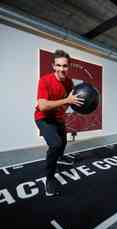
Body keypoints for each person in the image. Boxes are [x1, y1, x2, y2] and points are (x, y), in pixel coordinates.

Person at [34, 49, 84, 196]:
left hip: (58, 118)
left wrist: (79, 104)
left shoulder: (69, 83)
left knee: (63, 143)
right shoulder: (44, 81)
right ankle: (49, 179)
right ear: (53, 66)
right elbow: (42, 105)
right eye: (59, 65)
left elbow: (73, 101)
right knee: (55, 144)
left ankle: (61, 158)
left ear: (69, 67)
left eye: (65, 66)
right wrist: (67, 101)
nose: (62, 69)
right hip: (43, 118)